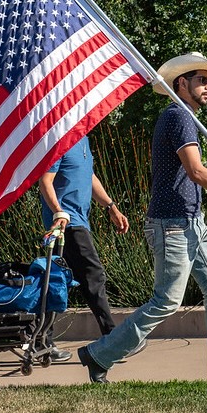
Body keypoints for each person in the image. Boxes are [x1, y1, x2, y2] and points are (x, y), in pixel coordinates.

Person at [77, 52, 207, 383]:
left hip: (194, 223)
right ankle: (99, 354)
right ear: (181, 84)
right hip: (172, 225)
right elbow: (195, 171)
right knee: (166, 301)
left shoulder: (185, 117)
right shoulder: (177, 116)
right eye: (201, 80)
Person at [39, 136, 146, 361]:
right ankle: (114, 339)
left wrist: (111, 206)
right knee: (93, 276)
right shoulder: (61, 141)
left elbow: (88, 175)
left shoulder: (83, 140)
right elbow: (45, 180)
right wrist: (59, 211)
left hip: (77, 222)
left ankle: (42, 342)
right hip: (66, 224)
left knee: (57, 281)